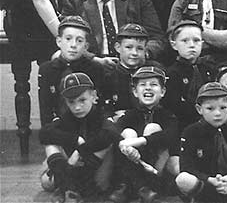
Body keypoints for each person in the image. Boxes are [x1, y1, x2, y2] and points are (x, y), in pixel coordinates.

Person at [0, 0, 71, 157]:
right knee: (23, 85)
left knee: (53, 81)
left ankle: (56, 139)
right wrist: (63, 36)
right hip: (24, 29)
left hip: (45, 27)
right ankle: (24, 144)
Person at [39, 72, 120, 203]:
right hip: (72, 169)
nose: (77, 107)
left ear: (94, 96)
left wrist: (80, 150)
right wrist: (75, 139)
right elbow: (44, 133)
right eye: (71, 102)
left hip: (95, 172)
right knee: (46, 177)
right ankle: (69, 188)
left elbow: (112, 135)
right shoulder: (67, 117)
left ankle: (68, 188)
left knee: (106, 143)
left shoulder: (100, 115)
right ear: (65, 102)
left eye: (82, 100)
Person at [110, 66, 179, 203]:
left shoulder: (167, 115)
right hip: (134, 164)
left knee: (152, 128)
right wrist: (129, 148)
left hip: (157, 168)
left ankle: (148, 187)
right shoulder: (130, 115)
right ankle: (138, 188)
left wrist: (140, 141)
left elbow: (170, 136)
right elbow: (114, 132)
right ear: (135, 92)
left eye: (153, 85)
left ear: (163, 91)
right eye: (143, 85)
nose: (148, 88)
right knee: (128, 133)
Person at [176, 82, 227, 201]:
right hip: (205, 185)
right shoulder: (191, 132)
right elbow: (187, 167)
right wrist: (209, 180)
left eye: (223, 108)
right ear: (199, 109)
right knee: (183, 179)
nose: (218, 113)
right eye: (210, 108)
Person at [38, 16, 107, 126]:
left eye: (79, 41)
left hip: (89, 126)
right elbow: (46, 108)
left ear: (86, 46)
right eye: (68, 39)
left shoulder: (95, 68)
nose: (73, 45)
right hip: (60, 126)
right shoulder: (47, 69)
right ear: (59, 41)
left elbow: (100, 106)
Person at [164, 20, 216, 131]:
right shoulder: (172, 73)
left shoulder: (209, 69)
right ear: (174, 45)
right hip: (183, 124)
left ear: (202, 43)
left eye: (196, 40)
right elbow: (173, 106)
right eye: (185, 41)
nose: (191, 45)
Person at [104, 23, 151, 118]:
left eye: (140, 48)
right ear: (118, 47)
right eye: (129, 47)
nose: (134, 53)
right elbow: (103, 108)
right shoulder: (108, 76)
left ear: (145, 50)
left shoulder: (150, 74)